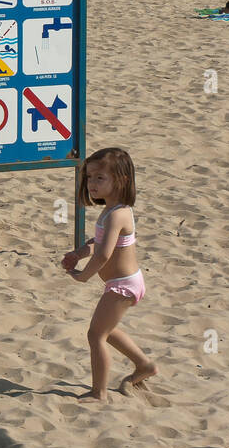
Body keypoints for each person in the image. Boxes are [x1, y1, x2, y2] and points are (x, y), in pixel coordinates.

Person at [63, 147, 158, 401]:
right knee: (107, 329)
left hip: (123, 285)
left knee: (96, 335)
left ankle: (99, 393)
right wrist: (80, 252)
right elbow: (100, 242)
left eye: (99, 178)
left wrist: (83, 275)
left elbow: (103, 255)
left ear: (121, 180)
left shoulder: (118, 214)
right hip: (123, 283)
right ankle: (144, 365)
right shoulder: (110, 211)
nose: (91, 183)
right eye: (89, 177)